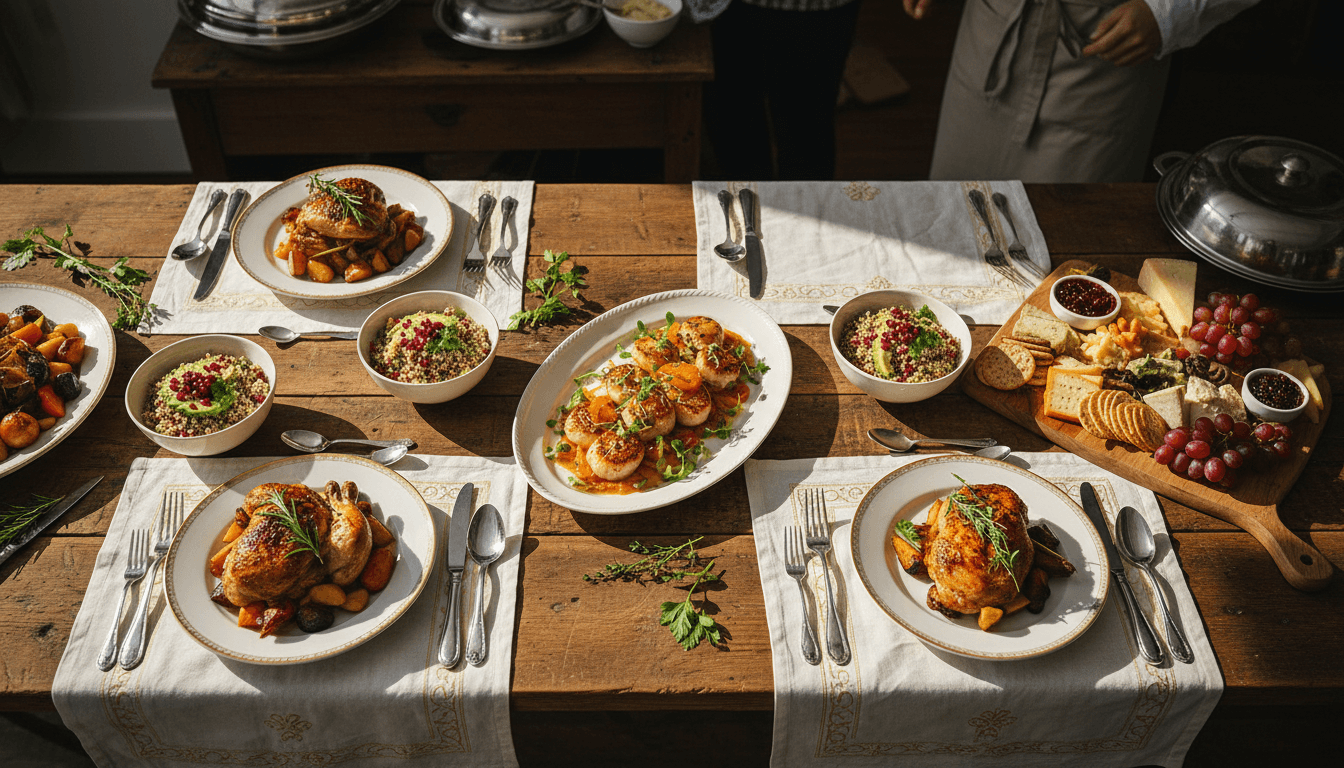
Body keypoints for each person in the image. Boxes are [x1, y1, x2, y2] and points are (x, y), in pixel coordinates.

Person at [904, 0, 1262, 182]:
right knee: (953, 208)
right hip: (992, 29)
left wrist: (1169, 11)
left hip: (1107, 45)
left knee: (1065, 243)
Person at [702, 0, 862, 181]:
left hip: (817, 13)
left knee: (806, 136)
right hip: (730, 9)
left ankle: (798, 206)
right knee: (735, 126)